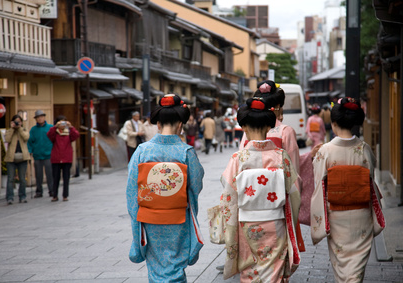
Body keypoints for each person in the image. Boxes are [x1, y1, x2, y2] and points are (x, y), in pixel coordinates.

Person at [220, 97, 301, 281]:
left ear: (244, 127)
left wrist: (229, 228)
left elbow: (228, 197)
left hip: (247, 225)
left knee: (250, 271)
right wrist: (290, 222)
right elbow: (295, 194)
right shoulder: (281, 157)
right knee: (274, 272)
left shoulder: (237, 159)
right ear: (268, 127)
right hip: (276, 223)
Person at [126, 94, 204, 282]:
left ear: (158, 125)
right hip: (177, 217)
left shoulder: (142, 151)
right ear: (180, 125)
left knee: (156, 264)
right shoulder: (186, 152)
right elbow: (196, 184)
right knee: (175, 264)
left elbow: (131, 190)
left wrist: (137, 217)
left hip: (150, 218)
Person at [310, 97, 385, 282]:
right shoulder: (364, 149)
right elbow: (371, 178)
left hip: (336, 216)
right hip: (361, 215)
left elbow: (318, 184)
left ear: (333, 124)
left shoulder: (325, 151)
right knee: (357, 268)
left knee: (340, 264)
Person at [47, 115, 80, 202]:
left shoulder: (68, 132)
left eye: (64, 122)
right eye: (60, 122)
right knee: (56, 178)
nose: (62, 124)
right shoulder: (55, 132)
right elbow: (49, 135)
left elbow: (76, 135)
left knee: (66, 178)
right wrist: (55, 127)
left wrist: (71, 127)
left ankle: (65, 195)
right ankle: (55, 195)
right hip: (56, 158)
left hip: (67, 158)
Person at [4, 115, 30, 204]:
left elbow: (26, 137)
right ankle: (9, 198)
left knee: (22, 178)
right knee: (10, 178)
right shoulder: (9, 131)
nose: (17, 123)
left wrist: (19, 128)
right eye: (15, 121)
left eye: (18, 121)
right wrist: (12, 129)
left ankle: (22, 196)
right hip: (11, 158)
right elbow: (7, 139)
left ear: (21, 122)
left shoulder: (24, 130)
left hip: (23, 157)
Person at [28, 110, 53, 198]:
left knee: (49, 174)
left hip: (48, 154)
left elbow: (54, 140)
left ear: (44, 117)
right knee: (38, 175)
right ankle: (39, 191)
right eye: (38, 117)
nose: (40, 118)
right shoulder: (33, 129)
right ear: (36, 119)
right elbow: (30, 142)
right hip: (37, 155)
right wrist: (30, 151)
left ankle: (52, 190)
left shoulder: (50, 127)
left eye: (41, 116)